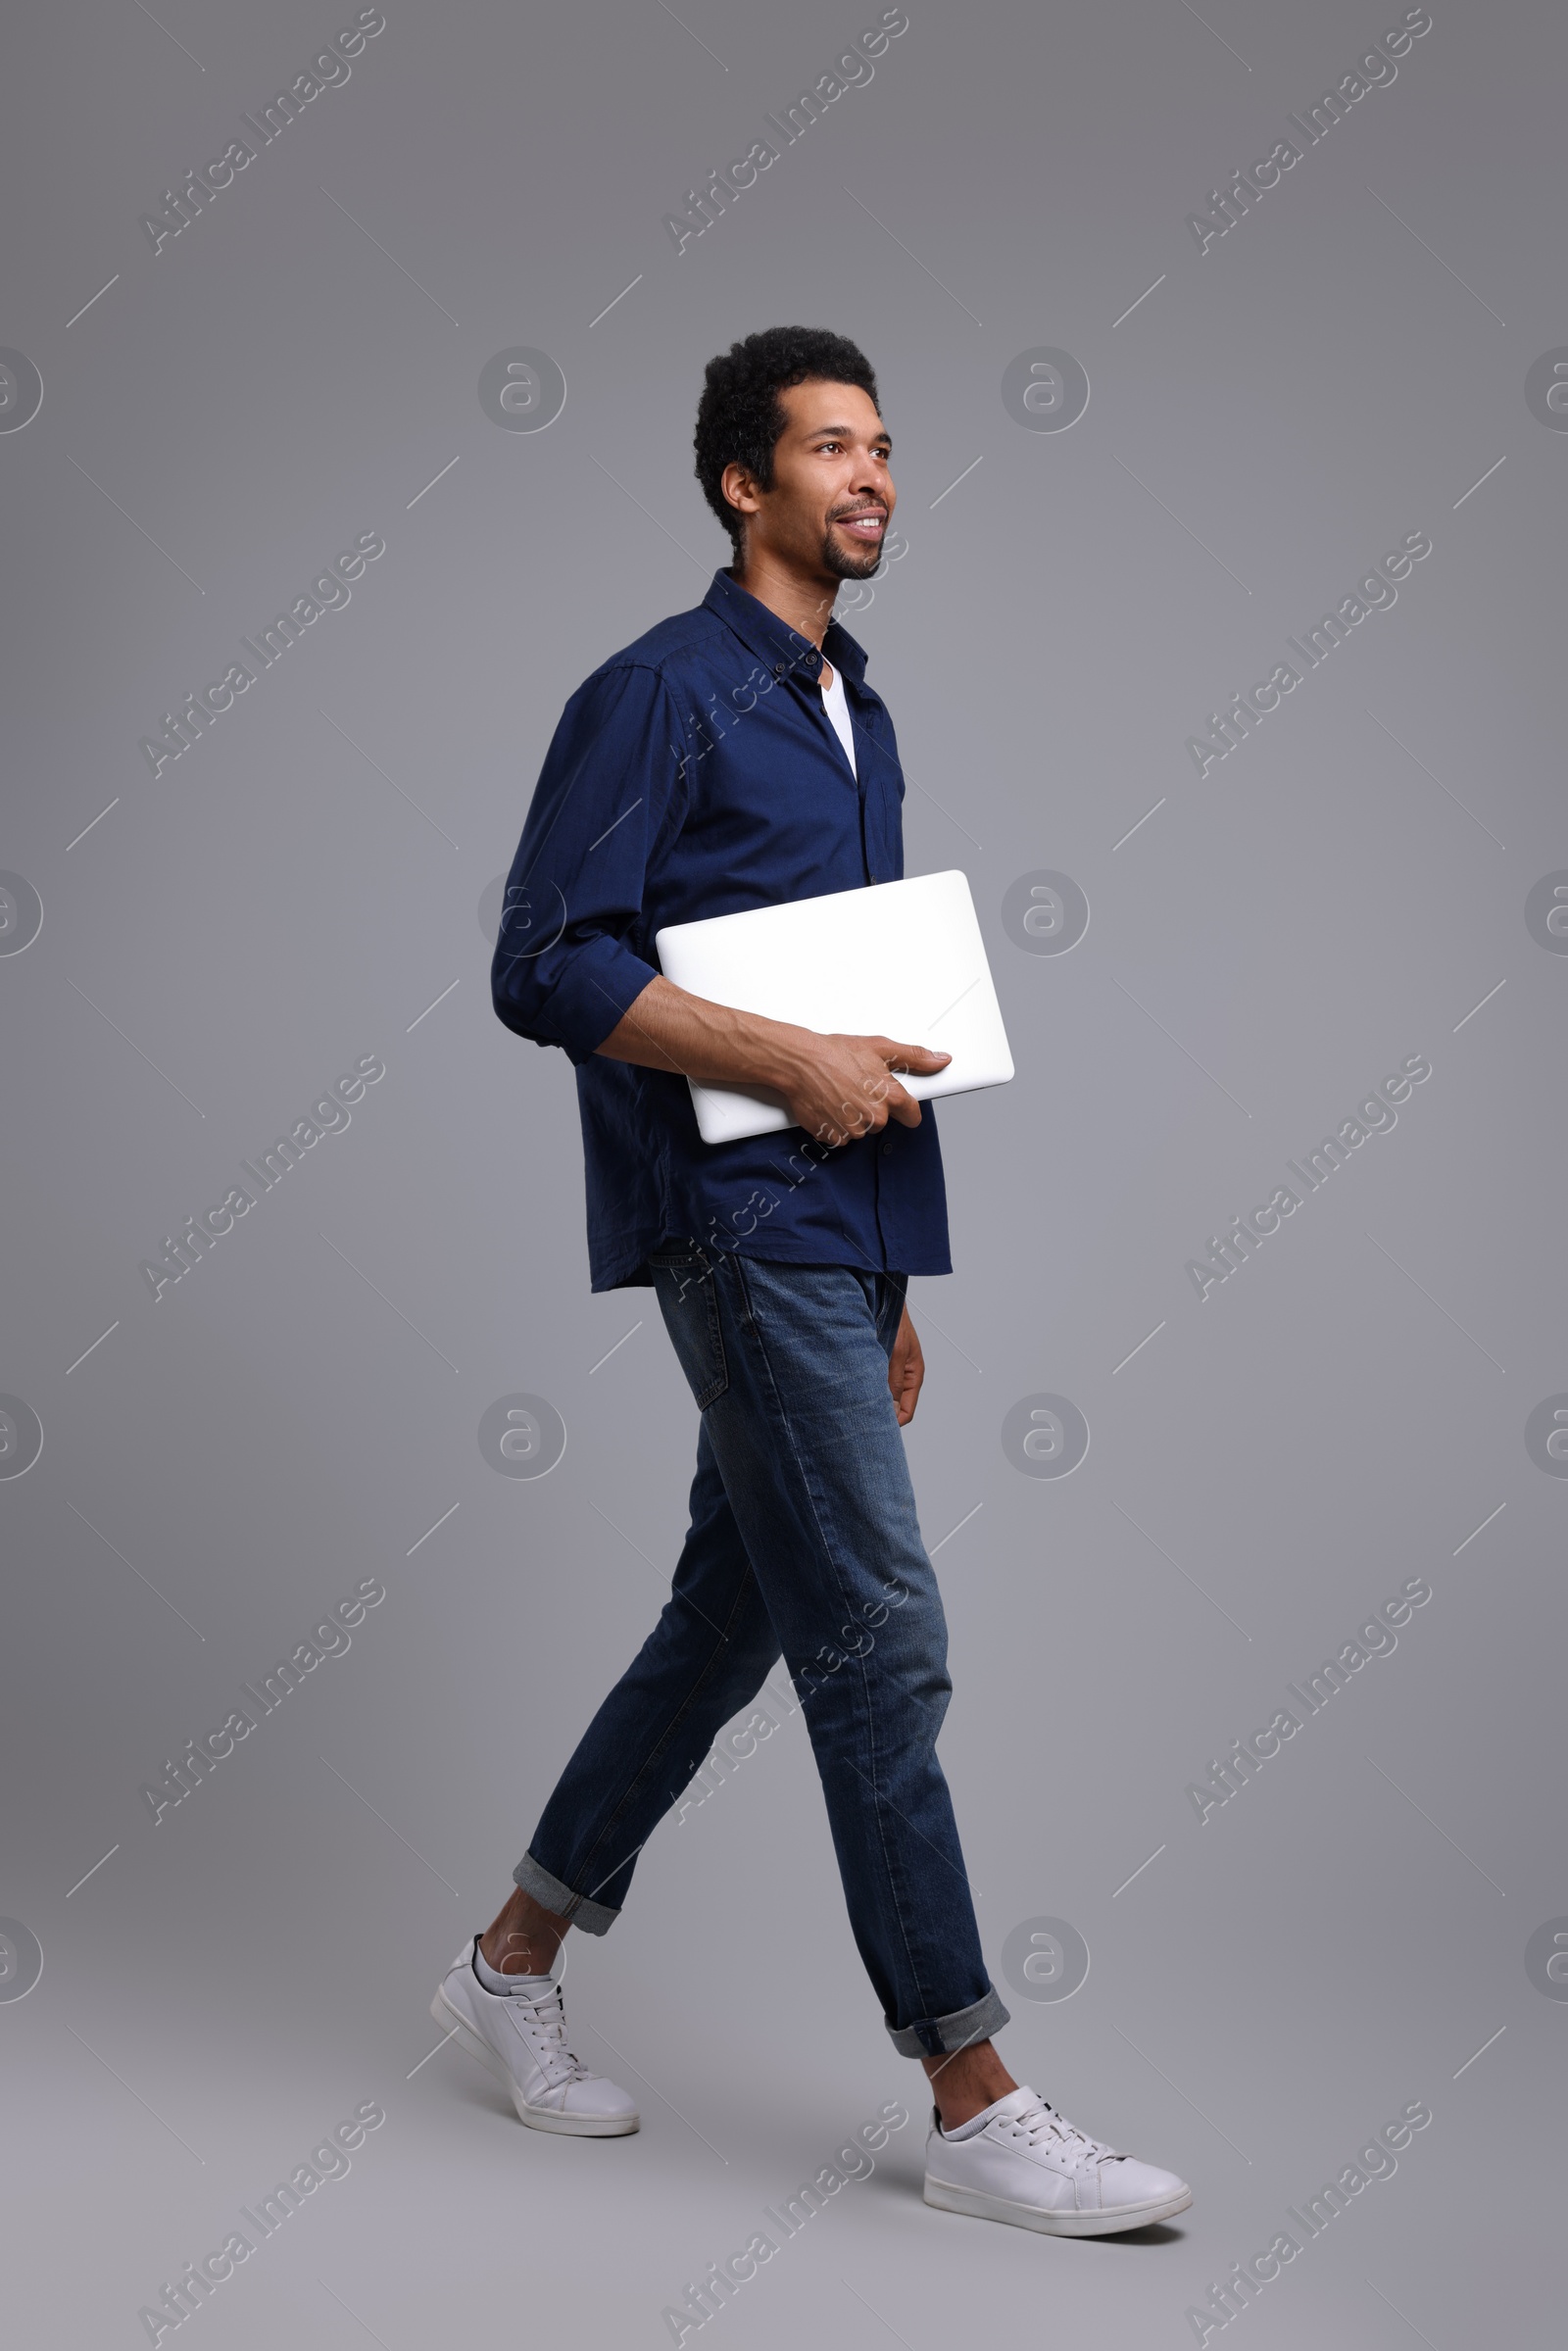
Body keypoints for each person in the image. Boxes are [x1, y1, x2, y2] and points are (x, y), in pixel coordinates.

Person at [432, 326, 1192, 2234]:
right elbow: (544, 960)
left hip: (835, 1246)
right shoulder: (660, 692)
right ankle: (970, 2094)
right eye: (826, 450)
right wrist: (782, 1076)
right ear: (737, 485)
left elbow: (855, 1004)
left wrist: (891, 1284)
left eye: (880, 450)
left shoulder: (861, 706)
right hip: (730, 1224)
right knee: (882, 1633)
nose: (866, 478)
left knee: (730, 1620)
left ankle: (506, 1965)